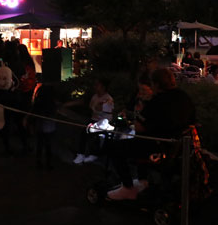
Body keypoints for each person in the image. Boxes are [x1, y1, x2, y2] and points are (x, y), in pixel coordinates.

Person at [107, 68, 196, 200]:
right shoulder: (184, 97)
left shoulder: (158, 101)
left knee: (115, 148)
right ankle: (142, 181)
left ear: (157, 84)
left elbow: (139, 127)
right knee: (138, 142)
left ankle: (128, 188)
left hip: (157, 147)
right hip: (180, 148)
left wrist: (133, 118)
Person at [73, 78, 114, 164]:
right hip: (94, 120)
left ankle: (86, 154)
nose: (95, 87)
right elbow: (92, 107)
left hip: (104, 122)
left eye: (97, 85)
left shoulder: (108, 99)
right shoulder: (95, 96)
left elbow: (100, 109)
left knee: (87, 132)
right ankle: (84, 153)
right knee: (85, 131)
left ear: (103, 87)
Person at [33, 84, 57, 170]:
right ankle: (48, 163)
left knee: (40, 145)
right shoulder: (52, 103)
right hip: (49, 128)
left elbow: (34, 112)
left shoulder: (39, 102)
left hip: (40, 127)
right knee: (48, 145)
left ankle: (39, 163)